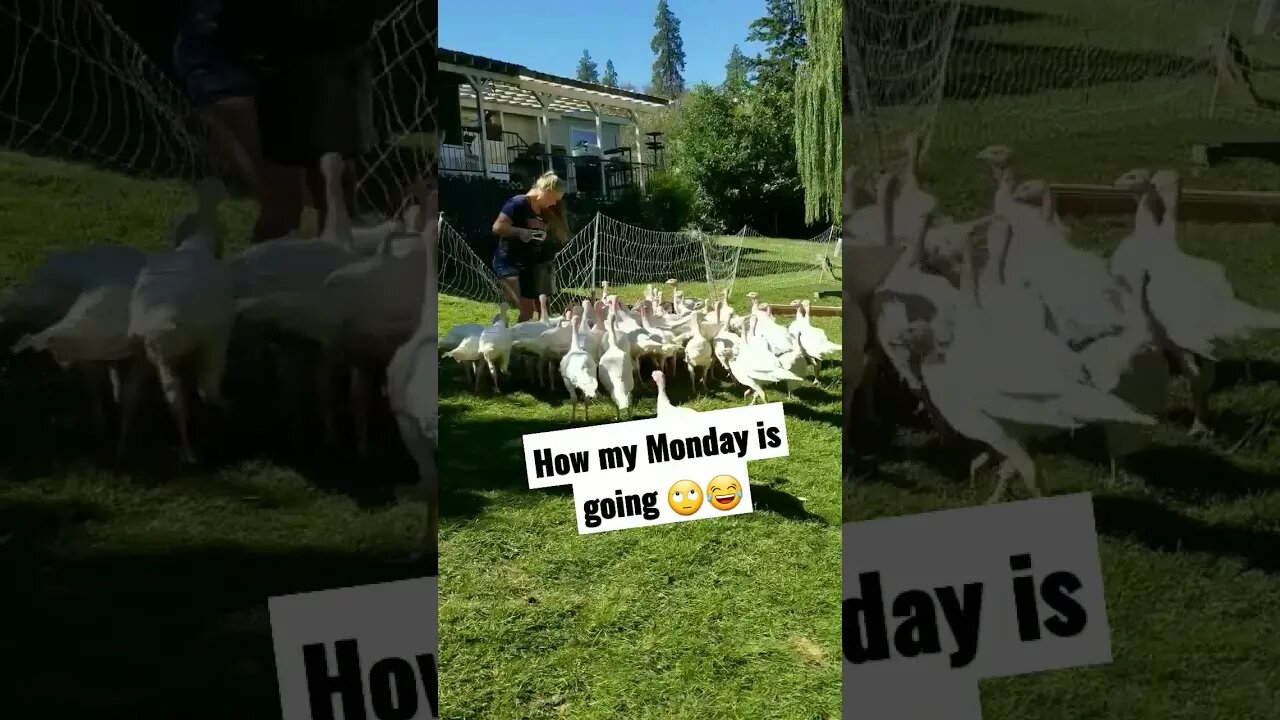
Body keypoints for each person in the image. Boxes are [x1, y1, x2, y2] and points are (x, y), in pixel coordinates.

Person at [173, 0, 383, 241]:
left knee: (333, 194)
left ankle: (330, 270)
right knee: (283, 199)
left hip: (322, 47)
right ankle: (265, 273)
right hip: (239, 50)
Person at [491, 172, 570, 322]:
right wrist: (519, 231)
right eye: (554, 198)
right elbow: (497, 227)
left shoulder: (545, 211)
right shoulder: (517, 203)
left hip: (530, 264)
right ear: (547, 190)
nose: (554, 203)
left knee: (543, 306)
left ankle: (537, 341)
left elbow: (558, 235)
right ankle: (517, 342)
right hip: (510, 262)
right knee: (527, 309)